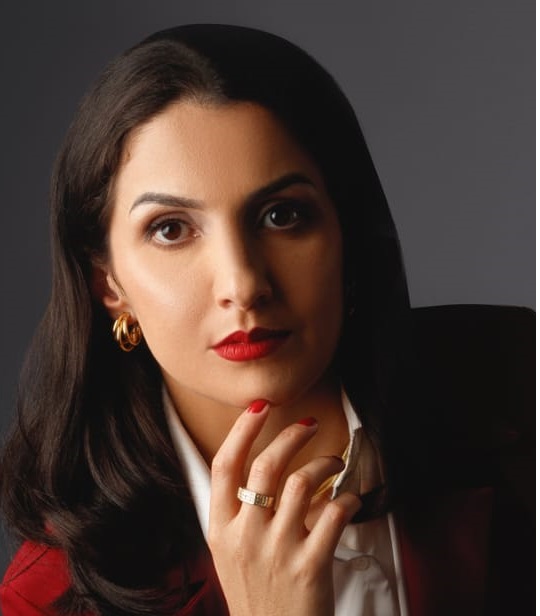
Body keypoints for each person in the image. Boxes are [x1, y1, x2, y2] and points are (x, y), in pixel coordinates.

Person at [0, 24, 533, 616]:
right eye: (171, 229)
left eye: (282, 216)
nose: (243, 285)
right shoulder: (45, 601)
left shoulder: (521, 394)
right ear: (109, 284)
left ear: (348, 236)